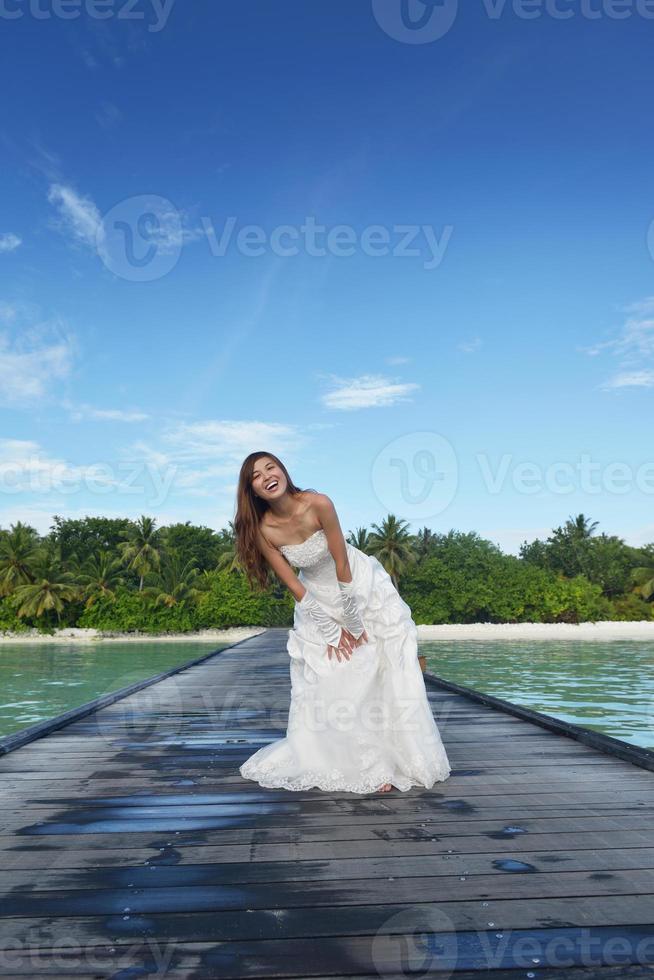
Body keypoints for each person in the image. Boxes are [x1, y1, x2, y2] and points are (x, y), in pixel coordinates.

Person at [235, 450, 451, 794]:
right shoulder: (264, 530)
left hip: (357, 586)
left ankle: (389, 761)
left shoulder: (319, 504)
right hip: (315, 601)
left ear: (283, 471)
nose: (266, 476)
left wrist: (351, 620)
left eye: (270, 468)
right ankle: (355, 762)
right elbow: (295, 585)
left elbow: (342, 565)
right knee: (333, 678)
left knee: (380, 666)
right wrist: (330, 628)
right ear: (254, 491)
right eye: (256, 477)